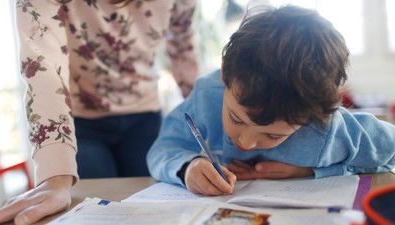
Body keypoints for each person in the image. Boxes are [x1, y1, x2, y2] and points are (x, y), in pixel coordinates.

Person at [146, 4, 395, 196]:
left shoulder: (327, 129)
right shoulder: (208, 94)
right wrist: (187, 166)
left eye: (274, 135)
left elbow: (390, 155)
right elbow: (162, 148)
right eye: (236, 118)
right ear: (225, 75)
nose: (246, 142)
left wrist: (312, 171)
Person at [0, 0, 198, 224]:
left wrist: (207, 126)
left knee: (154, 213)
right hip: (80, 123)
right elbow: (44, 70)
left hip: (145, 118)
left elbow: (182, 46)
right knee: (94, 212)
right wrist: (55, 175)